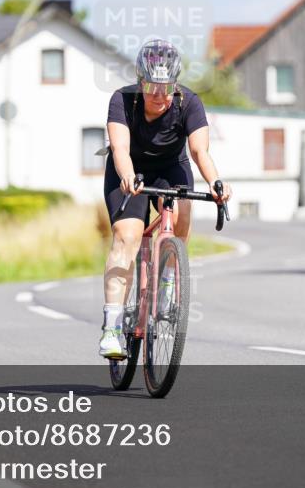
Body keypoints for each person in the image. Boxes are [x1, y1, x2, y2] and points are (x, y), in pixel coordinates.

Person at [99, 39, 232, 359]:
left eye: (166, 87)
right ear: (140, 82)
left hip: (171, 167)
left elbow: (200, 151)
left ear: (176, 84)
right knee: (127, 237)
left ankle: (170, 274)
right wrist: (128, 176)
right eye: (151, 87)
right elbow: (119, 148)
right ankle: (113, 329)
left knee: (182, 212)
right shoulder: (122, 100)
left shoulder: (189, 103)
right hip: (129, 168)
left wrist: (215, 182)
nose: (159, 95)